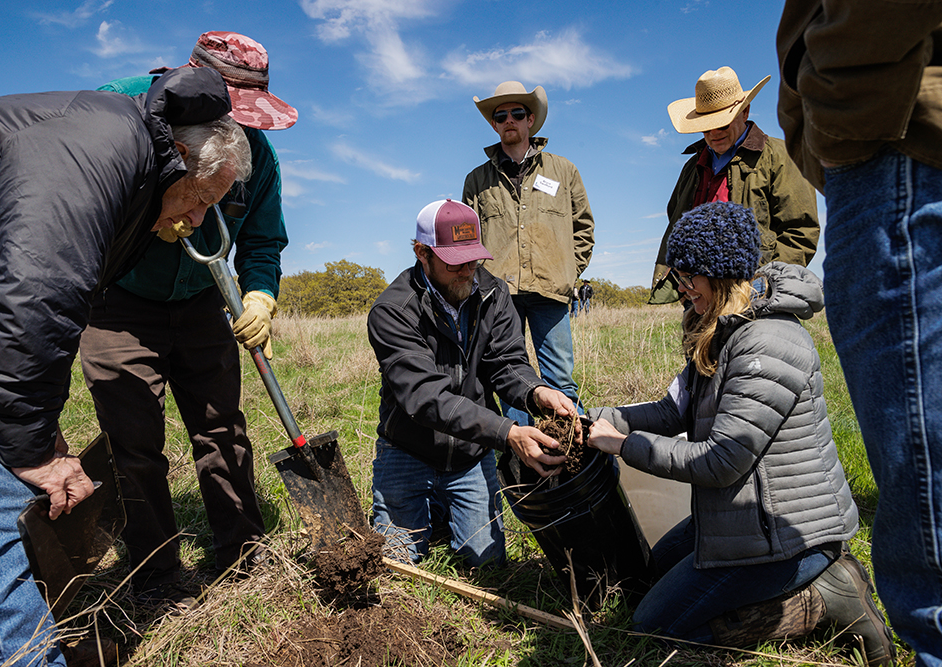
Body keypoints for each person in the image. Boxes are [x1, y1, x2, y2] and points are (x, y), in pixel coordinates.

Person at [0, 68, 248, 666]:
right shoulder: (103, 145)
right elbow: (40, 290)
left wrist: (42, 425)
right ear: (181, 155)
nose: (194, 221)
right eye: (200, 198)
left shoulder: (132, 170)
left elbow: (33, 320)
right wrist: (31, 449)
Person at [586, 202, 894, 665]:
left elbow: (721, 461)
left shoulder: (768, 342)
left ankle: (823, 596)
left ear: (721, 272)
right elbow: (673, 411)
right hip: (744, 519)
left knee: (654, 627)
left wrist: (622, 445)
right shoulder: (723, 330)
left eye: (689, 277)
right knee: (654, 570)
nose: (683, 288)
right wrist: (590, 416)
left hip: (790, 537)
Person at [79, 31, 295, 611]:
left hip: (201, 299)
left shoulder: (256, 154)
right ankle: (155, 569)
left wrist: (258, 297)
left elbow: (262, 239)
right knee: (134, 438)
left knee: (222, 427)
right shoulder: (117, 108)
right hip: (118, 301)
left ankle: (243, 557)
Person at [777, 4, 942, 663]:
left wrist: (840, 105)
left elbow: (792, 230)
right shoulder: (694, 171)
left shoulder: (762, 158)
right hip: (873, 140)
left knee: (923, 470)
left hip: (889, 140)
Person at [367, 199, 575, 567]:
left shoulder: (493, 294)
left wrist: (537, 391)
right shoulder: (392, 311)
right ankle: (429, 510)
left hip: (469, 453)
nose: (467, 271)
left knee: (488, 566)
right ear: (421, 253)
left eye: (473, 258)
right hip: (408, 451)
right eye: (454, 261)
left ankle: (445, 513)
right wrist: (509, 433)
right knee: (396, 566)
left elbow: (507, 363)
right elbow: (427, 397)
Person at [462, 81, 594, 424]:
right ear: (493, 124)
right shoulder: (476, 180)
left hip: (551, 291)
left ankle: (572, 459)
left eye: (517, 113)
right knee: (510, 380)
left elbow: (584, 229)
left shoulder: (563, 171)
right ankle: (523, 461)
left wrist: (566, 271)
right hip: (497, 295)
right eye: (500, 115)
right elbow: (467, 240)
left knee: (560, 380)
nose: (509, 120)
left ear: (530, 120)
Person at [648, 66, 819, 304]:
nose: (713, 133)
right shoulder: (692, 166)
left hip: (755, 296)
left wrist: (762, 284)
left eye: (722, 124)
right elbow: (676, 221)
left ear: (745, 112)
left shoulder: (780, 156)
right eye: (706, 127)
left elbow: (800, 232)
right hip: (698, 298)